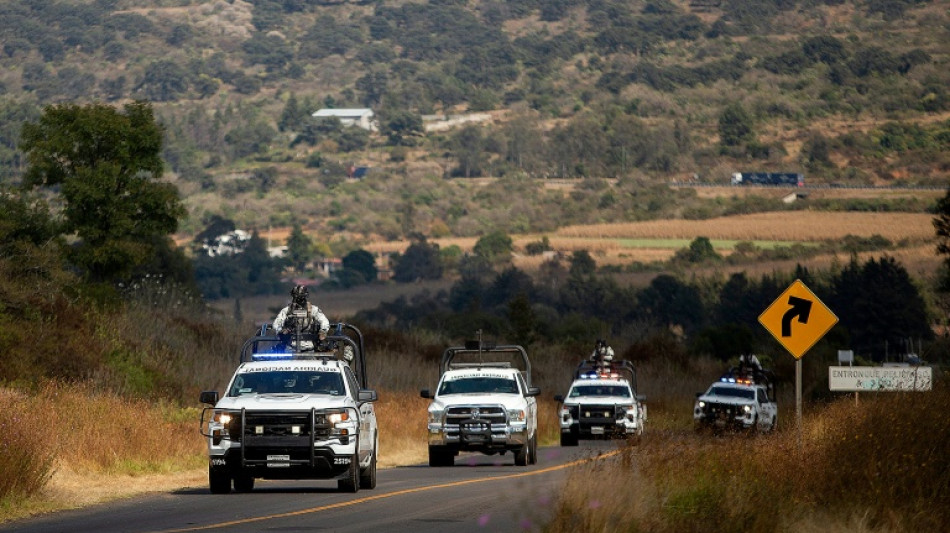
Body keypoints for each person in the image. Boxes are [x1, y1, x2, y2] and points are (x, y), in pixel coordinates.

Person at [273, 284, 330, 351]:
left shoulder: (313, 309)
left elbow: (324, 321)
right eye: (295, 297)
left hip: (309, 347)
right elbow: (276, 324)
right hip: (291, 347)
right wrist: (281, 331)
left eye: (300, 297)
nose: (297, 300)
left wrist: (323, 331)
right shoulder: (287, 310)